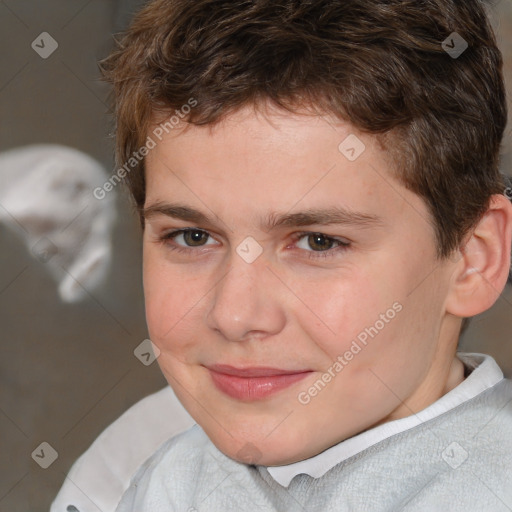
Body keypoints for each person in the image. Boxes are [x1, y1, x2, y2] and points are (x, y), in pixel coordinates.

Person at [55, 0, 512, 510]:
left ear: (474, 259)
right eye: (192, 237)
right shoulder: (137, 470)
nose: (234, 315)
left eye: (319, 242)